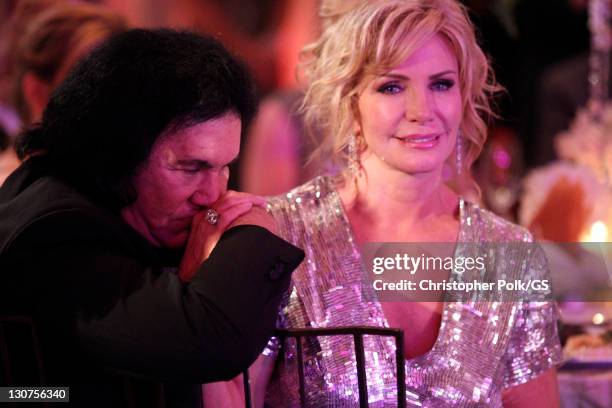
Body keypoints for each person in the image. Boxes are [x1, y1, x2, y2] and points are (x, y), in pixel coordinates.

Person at [205, 0, 562, 406]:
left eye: (441, 83)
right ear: (350, 101)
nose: (421, 111)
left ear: (464, 95)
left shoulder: (509, 257)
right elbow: (230, 396)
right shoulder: (281, 235)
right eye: (391, 86)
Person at [0, 29, 304, 407]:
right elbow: (209, 343)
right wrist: (255, 226)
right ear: (118, 154)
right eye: (192, 167)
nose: (213, 195)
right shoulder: (56, 234)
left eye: (226, 167)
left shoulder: (125, 213)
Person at [0, 0, 127, 184]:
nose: (112, 98)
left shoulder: (123, 183)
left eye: (120, 79)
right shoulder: (11, 190)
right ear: (36, 92)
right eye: (88, 80)